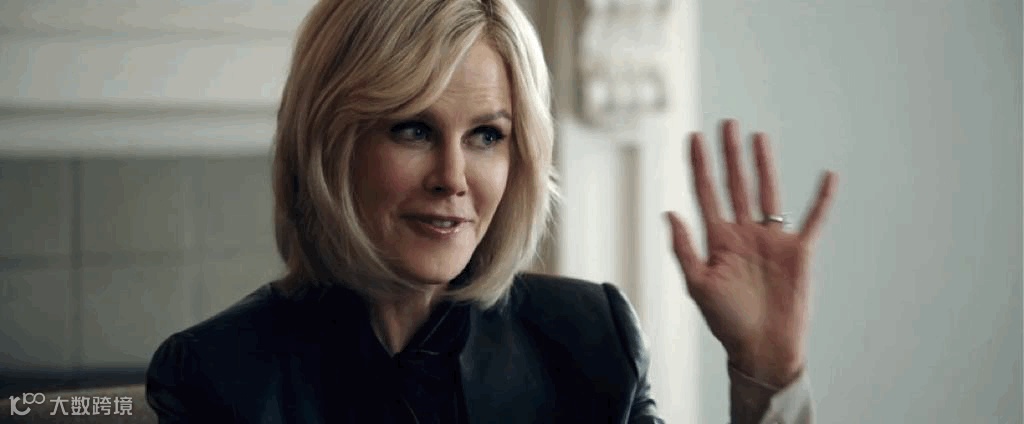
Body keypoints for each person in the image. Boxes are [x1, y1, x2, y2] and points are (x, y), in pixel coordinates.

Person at [145, 0, 838, 422]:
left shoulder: (591, 338)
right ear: (330, 142)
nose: (453, 178)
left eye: (486, 136)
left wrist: (768, 379)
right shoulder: (214, 374)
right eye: (413, 129)